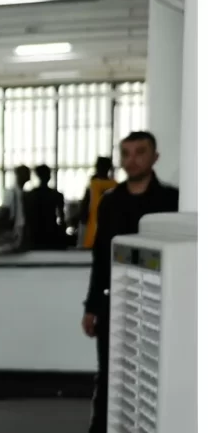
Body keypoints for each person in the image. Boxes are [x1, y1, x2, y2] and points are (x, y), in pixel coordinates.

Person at [82, 131, 178, 433]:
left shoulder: (171, 200)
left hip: (157, 302)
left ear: (155, 157)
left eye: (140, 152)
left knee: (152, 374)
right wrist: (91, 306)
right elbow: (101, 257)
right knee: (110, 373)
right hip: (115, 300)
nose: (131, 160)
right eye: (125, 153)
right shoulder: (110, 202)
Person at [26, 164, 66, 249]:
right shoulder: (56, 195)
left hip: (35, 232)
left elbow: (27, 217)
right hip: (51, 231)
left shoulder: (30, 195)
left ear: (37, 176)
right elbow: (62, 217)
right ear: (49, 176)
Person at [79, 157, 117, 248]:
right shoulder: (114, 184)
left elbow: (85, 206)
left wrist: (81, 220)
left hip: (93, 224)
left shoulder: (93, 184)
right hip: (109, 226)